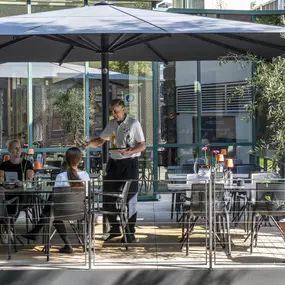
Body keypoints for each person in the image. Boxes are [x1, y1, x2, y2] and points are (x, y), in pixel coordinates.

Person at [84, 99, 146, 242]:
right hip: (114, 163)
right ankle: (114, 228)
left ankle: (130, 233)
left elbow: (142, 146)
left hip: (130, 163)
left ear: (123, 109)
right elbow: (101, 140)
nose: (113, 114)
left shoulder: (133, 124)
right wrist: (88, 145)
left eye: (116, 111)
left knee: (130, 198)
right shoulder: (111, 124)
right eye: (111, 111)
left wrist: (130, 152)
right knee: (108, 195)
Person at [22, 147, 90, 254]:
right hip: (80, 212)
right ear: (80, 159)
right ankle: (36, 231)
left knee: (52, 207)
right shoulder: (86, 175)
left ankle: (66, 244)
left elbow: (56, 197)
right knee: (52, 203)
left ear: (66, 160)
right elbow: (87, 195)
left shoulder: (61, 176)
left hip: (62, 212)